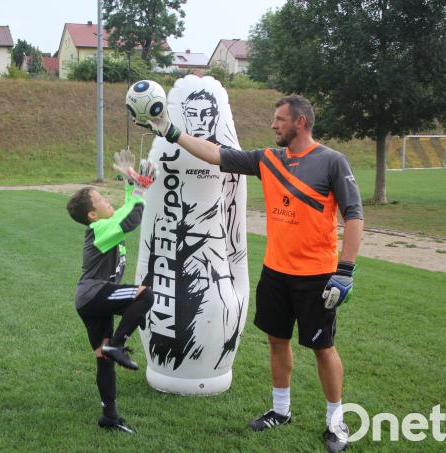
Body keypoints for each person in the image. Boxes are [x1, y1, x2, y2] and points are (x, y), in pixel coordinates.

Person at [139, 94, 363, 452]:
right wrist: (170, 130)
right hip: (275, 273)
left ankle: (336, 423)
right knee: (277, 341)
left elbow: (354, 215)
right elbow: (215, 154)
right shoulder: (268, 159)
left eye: (280, 119)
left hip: (317, 277)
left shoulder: (332, 162)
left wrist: (345, 270)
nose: (273, 125)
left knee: (323, 347)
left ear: (300, 122)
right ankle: (280, 411)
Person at [66, 151, 156, 433]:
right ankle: (117, 344)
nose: (108, 200)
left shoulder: (105, 223)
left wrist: (132, 178)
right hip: (95, 295)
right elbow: (131, 220)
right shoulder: (100, 228)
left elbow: (129, 207)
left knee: (103, 360)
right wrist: (141, 189)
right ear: (93, 214)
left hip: (88, 300)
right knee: (145, 295)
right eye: (102, 200)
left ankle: (110, 417)